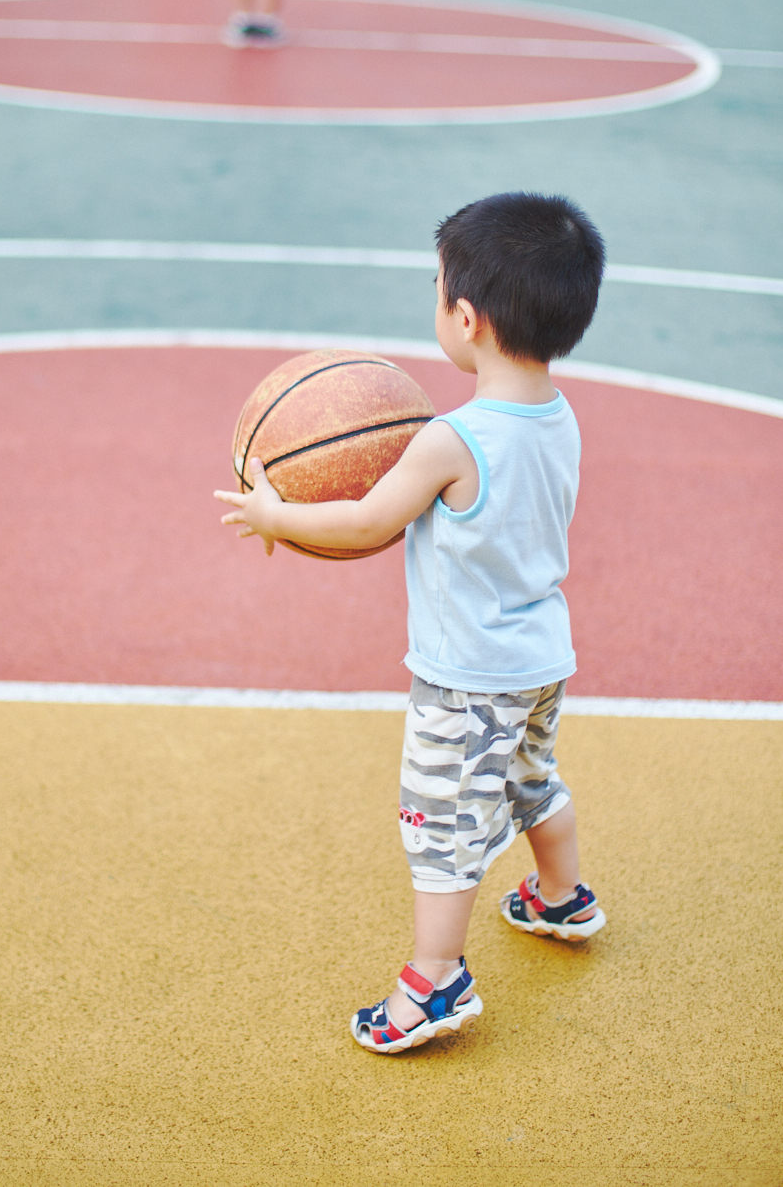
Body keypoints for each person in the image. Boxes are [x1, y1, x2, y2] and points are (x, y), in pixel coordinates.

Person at [215, 192, 608, 1054]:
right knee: (529, 779)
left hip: (465, 679)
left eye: (436, 290)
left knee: (440, 827)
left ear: (465, 318)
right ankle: (559, 897)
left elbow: (363, 520)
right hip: (541, 657)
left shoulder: (449, 440)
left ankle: (434, 986)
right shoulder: (558, 416)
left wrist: (278, 517)